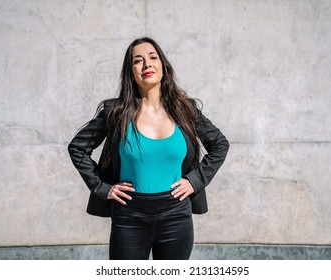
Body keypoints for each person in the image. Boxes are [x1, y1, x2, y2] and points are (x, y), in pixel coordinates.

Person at [68, 37, 229, 260]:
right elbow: (77, 148)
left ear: (163, 65)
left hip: (176, 215)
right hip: (129, 216)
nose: (147, 64)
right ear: (130, 71)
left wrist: (195, 181)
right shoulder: (115, 112)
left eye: (153, 57)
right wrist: (103, 188)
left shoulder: (185, 109)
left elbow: (220, 144)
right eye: (138, 60)